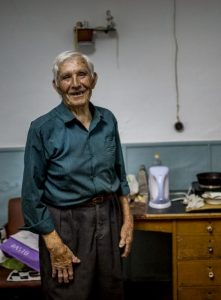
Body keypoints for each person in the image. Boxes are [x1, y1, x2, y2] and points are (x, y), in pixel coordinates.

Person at [21, 50, 133, 300]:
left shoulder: (108, 119)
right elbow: (31, 194)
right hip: (65, 224)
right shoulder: (42, 128)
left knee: (110, 291)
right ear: (56, 85)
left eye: (82, 74)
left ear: (93, 79)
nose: (75, 84)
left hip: (108, 216)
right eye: (66, 77)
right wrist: (52, 242)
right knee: (69, 293)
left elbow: (119, 173)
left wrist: (127, 220)